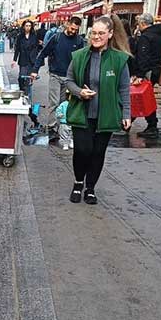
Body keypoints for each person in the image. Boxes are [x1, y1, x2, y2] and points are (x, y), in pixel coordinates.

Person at [64, 15, 131, 205]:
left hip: (106, 115)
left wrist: (126, 113)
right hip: (82, 113)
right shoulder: (79, 56)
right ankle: (78, 183)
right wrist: (79, 92)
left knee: (97, 153)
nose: (96, 36)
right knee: (83, 150)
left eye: (101, 33)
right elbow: (68, 81)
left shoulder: (120, 60)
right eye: (94, 33)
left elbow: (124, 88)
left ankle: (90, 189)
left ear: (110, 34)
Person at [30, 16, 85, 138]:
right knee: (54, 103)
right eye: (72, 28)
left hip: (70, 78)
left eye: (76, 30)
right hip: (55, 75)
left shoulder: (79, 41)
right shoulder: (56, 38)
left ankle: (64, 130)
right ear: (67, 24)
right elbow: (43, 53)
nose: (73, 31)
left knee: (65, 104)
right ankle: (52, 129)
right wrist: (35, 70)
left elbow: (82, 60)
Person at [131, 13, 161, 138]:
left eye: (139, 23)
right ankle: (131, 120)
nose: (138, 26)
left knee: (143, 97)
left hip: (148, 71)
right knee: (145, 97)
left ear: (143, 23)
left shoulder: (146, 37)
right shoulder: (159, 36)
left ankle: (151, 124)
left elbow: (143, 57)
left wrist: (139, 74)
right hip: (155, 69)